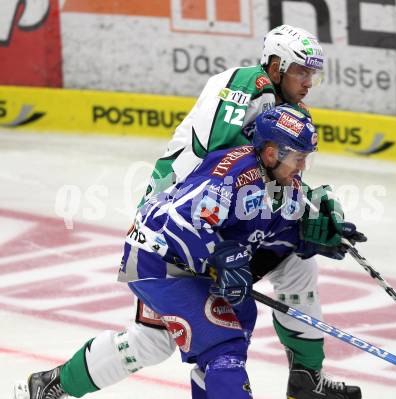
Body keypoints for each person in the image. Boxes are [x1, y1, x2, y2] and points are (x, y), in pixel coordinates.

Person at [14, 26, 365, 399]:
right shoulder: (249, 86)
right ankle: (52, 385)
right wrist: (241, 234)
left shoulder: (284, 110)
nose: (309, 81)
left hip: (217, 221)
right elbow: (224, 167)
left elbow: (267, 172)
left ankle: (306, 379)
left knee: (292, 268)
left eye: (314, 74)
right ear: (276, 66)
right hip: (179, 223)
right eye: (302, 71)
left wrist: (306, 210)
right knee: (179, 341)